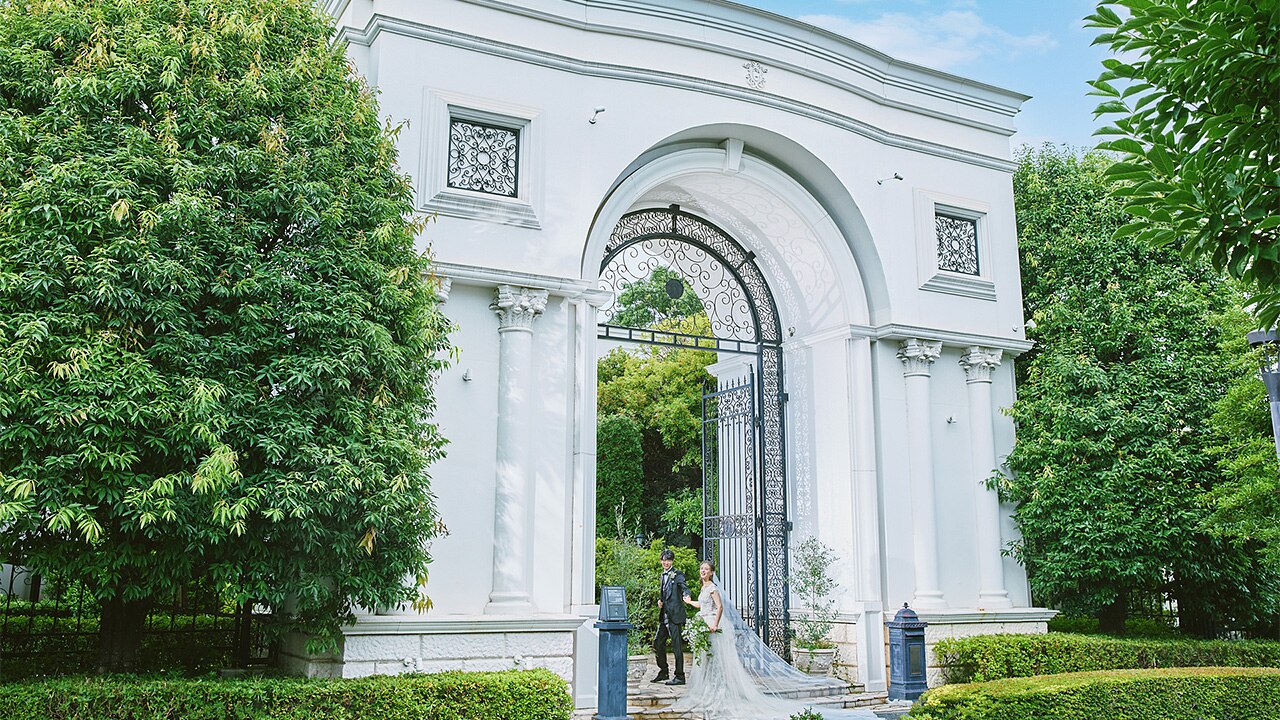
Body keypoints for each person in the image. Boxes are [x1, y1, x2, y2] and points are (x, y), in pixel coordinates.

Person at [673, 559, 880, 720]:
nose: (703, 571)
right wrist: (690, 602)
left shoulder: (713, 588)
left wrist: (715, 624)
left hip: (713, 628)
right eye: (701, 569)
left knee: (718, 661)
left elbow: (719, 607)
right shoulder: (702, 588)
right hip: (704, 625)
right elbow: (705, 606)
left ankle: (721, 690)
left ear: (711, 572)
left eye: (706, 569)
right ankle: (709, 688)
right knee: (708, 661)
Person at [652, 548, 688, 685]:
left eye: (668, 560)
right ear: (661, 560)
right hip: (664, 616)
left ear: (672, 561)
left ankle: (680, 676)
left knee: (676, 646)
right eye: (664, 560)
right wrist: (660, 600)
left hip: (674, 615)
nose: (666, 563)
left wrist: (686, 595)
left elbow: (683, 586)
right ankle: (664, 671)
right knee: (657, 642)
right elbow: (664, 592)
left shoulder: (677, 574)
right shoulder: (662, 575)